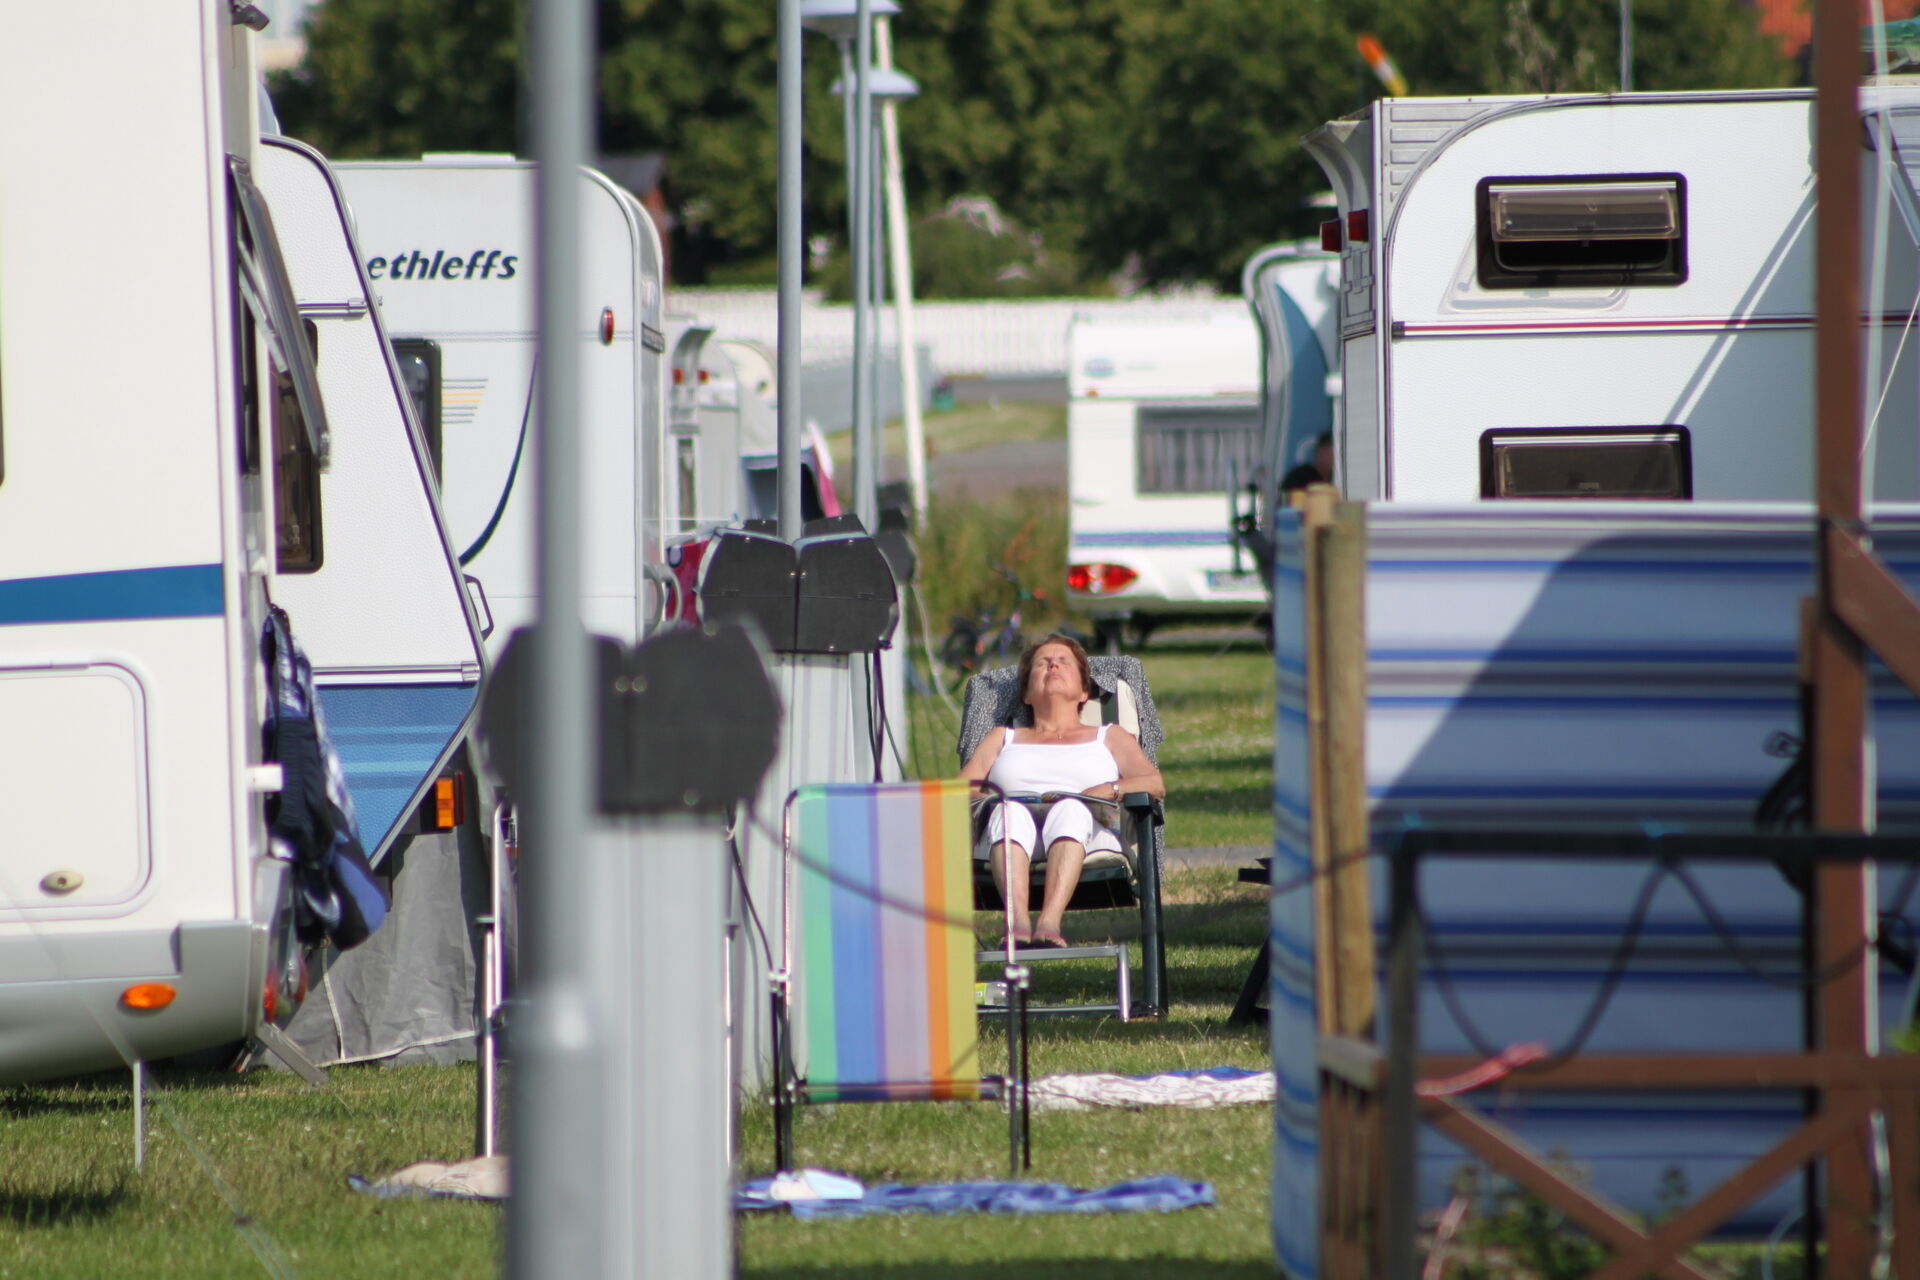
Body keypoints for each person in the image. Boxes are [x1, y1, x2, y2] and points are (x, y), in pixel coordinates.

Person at [959, 633, 1165, 948]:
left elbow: (1153, 783)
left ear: (1084, 691)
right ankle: (1017, 925)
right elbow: (960, 790)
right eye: (1042, 663)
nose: (1053, 665)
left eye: (1063, 661)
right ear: (1026, 694)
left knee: (1070, 809)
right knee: (1009, 811)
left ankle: (1049, 923)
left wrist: (1107, 789)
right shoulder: (1002, 737)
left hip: (1089, 830)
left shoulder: (1109, 735)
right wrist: (989, 800)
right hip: (1009, 832)